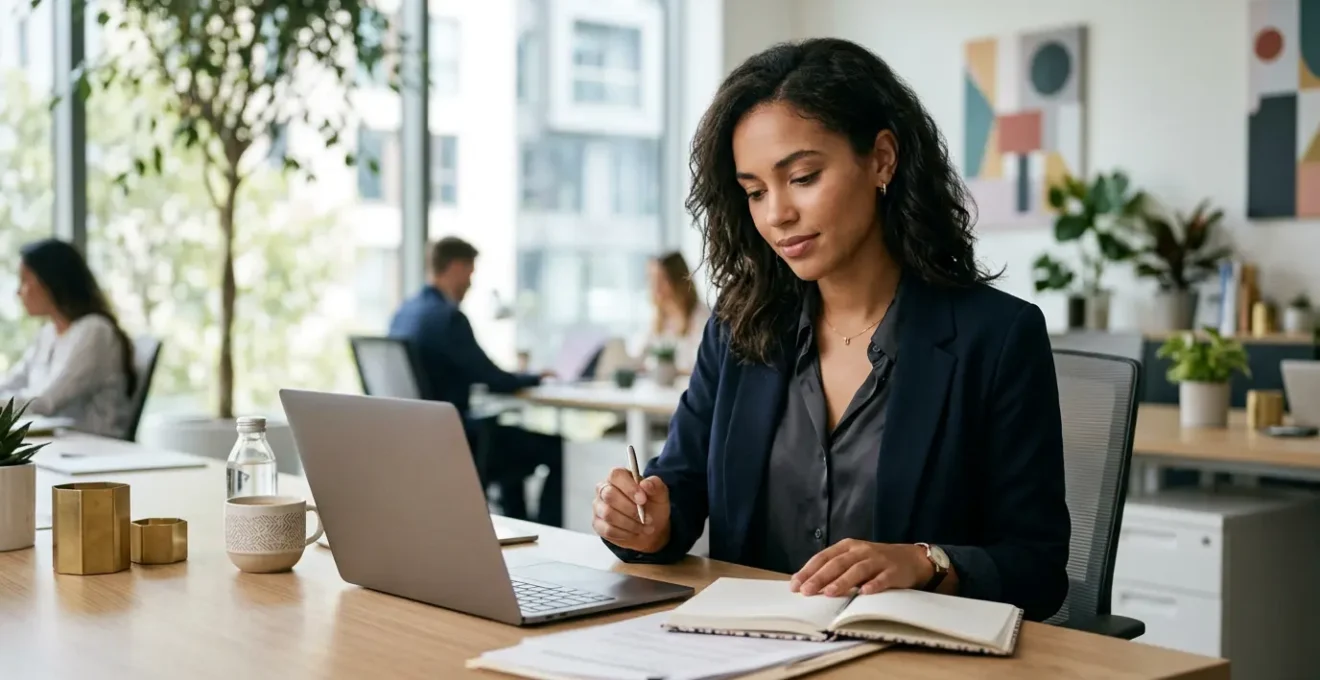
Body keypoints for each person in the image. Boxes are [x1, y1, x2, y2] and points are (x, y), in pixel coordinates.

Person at [590, 38, 1071, 622]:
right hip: (748, 651)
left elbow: (1039, 569)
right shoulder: (740, 328)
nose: (776, 215)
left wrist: (927, 563)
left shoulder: (996, 337)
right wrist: (646, 524)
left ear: (882, 160)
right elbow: (680, 489)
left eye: (803, 177)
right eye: (755, 192)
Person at [389, 237, 564, 526]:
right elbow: (492, 378)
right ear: (457, 267)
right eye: (470, 272)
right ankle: (547, 535)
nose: (471, 282)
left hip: (416, 440)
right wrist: (534, 376)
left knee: (510, 442)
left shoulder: (404, 313)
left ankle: (518, 525)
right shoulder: (448, 318)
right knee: (555, 448)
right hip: (457, 442)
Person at [0, 239, 137, 438]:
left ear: (52, 282)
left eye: (25, 280)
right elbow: (14, 381)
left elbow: (47, 402)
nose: (19, 292)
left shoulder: (95, 331)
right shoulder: (47, 333)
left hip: (95, 450)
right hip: (58, 447)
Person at [636, 252, 710, 373]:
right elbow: (640, 358)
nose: (655, 286)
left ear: (679, 279)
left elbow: (702, 366)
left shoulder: (702, 317)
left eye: (662, 278)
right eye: (651, 278)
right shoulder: (658, 320)